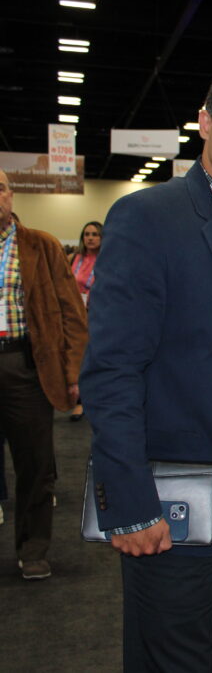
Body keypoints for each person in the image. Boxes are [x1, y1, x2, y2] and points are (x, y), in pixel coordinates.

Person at [80, 64, 212, 671]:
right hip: (175, 493)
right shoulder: (148, 217)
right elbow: (113, 370)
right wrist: (130, 501)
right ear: (204, 122)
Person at [0, 171, 87, 580]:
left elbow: (72, 311)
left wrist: (73, 372)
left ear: (10, 194)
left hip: (25, 365)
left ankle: (33, 549)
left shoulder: (41, 245)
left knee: (35, 464)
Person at [68, 220, 102, 421]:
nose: (90, 238)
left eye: (95, 234)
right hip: (76, 315)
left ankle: (94, 398)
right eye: (87, 234)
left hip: (97, 315)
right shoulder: (74, 258)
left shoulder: (107, 258)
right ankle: (79, 403)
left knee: (94, 358)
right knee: (79, 357)